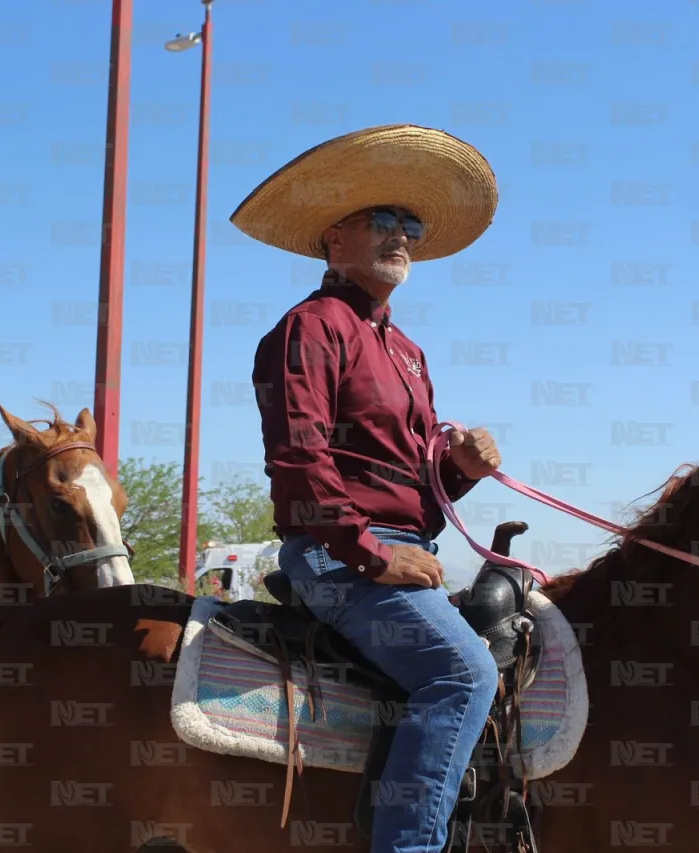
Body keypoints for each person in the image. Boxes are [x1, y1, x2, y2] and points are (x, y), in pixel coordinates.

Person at [238, 124, 503, 853]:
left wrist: (461, 472)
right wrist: (372, 556)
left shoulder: (408, 353)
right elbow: (300, 462)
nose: (402, 237)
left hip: (402, 550)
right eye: (382, 221)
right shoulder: (308, 329)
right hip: (335, 558)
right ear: (334, 237)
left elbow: (415, 485)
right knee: (462, 673)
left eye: (410, 224)